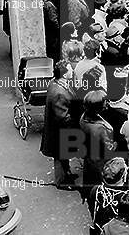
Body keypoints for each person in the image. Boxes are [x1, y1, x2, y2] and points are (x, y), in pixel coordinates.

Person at [41, 61, 78, 189]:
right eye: (70, 70)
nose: (72, 71)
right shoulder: (59, 93)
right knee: (60, 156)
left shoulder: (55, 82)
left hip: (57, 130)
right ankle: (62, 182)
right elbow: (63, 117)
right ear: (64, 74)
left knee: (63, 156)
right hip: (59, 132)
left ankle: (67, 174)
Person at [80, 90, 117, 195]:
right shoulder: (100, 128)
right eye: (104, 103)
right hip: (100, 161)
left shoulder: (84, 117)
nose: (107, 104)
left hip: (89, 157)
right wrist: (116, 144)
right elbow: (109, 149)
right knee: (101, 188)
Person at [88, 158, 129, 235]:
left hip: (100, 228)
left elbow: (92, 208)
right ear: (124, 177)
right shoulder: (127, 197)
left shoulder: (95, 190)